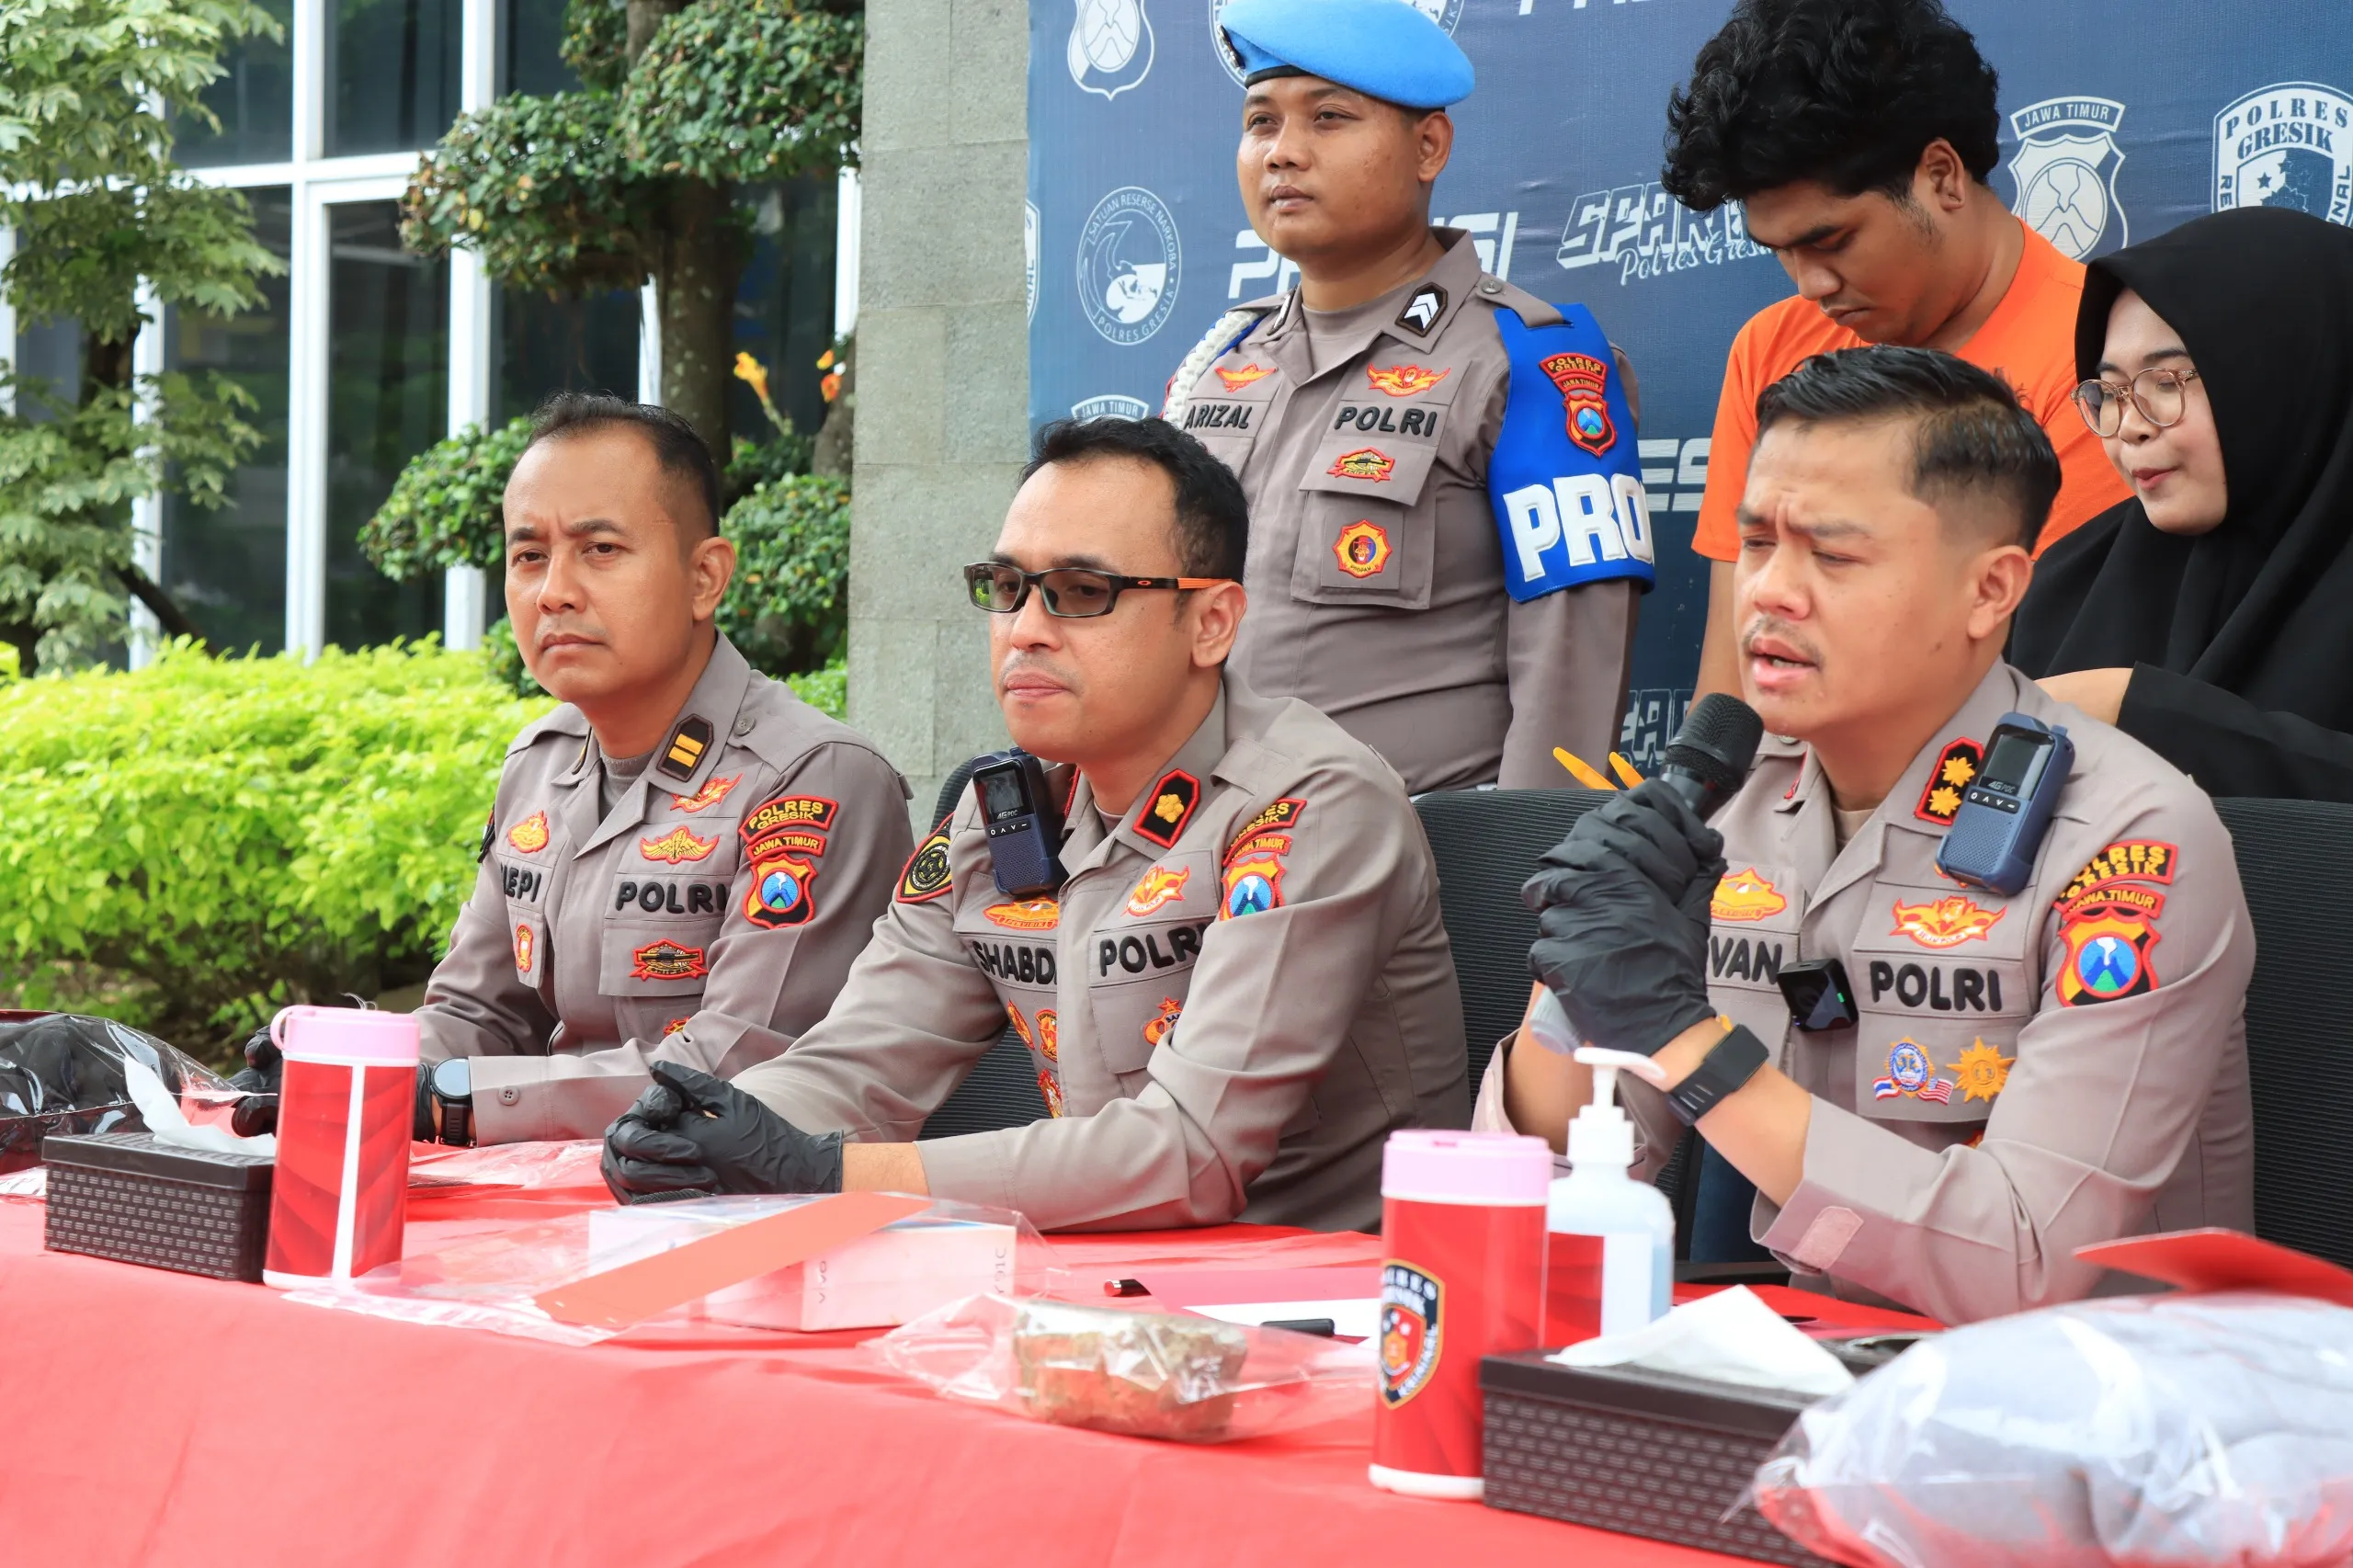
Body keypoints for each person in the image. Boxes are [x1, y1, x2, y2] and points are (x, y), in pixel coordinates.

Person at [1473, 347, 2252, 1325]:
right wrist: (1574, 982)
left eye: (1832, 555)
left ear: (1990, 590)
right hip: (1812, 1368)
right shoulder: (1723, 799)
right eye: (1756, 544)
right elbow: (1532, 1195)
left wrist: (1680, 1040)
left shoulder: (2130, 838)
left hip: (2091, 1410)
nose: (1770, 592)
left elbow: (2019, 1264)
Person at [600, 416, 1469, 1232]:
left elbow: (1191, 1153)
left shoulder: (1311, 805)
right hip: (1091, 1286)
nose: (1024, 632)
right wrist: (702, 1120)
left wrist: (827, 1174)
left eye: (1082, 593)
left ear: (1211, 623)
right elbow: (861, 1061)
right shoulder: (1001, 816)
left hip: (1329, 1312)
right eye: (1009, 588)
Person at [1157, 0, 1651, 792]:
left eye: (1328, 119)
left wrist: (1515, 886)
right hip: (1195, 865)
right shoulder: (1216, 363)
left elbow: (1571, 683)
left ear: (1429, 146)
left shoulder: (1532, 362)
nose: (1284, 153)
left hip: (1411, 880)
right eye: (1260, 123)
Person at [401, 394, 912, 1145]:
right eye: (529, 556)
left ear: (706, 578)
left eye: (599, 549)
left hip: (726, 1213)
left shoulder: (811, 779)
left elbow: (731, 1069)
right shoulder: (537, 765)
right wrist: (346, 1073)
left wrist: (461, 1097)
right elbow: (478, 1012)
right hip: (540, 1194)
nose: (554, 591)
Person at [1670, 0, 2131, 705]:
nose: (1810, 284)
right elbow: (1731, 688)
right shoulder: (1769, 348)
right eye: (1781, 252)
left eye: (1831, 241)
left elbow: (2067, 701)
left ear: (1942, 175)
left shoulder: (2104, 366)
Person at [2012, 208, 2353, 801]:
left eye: (2166, 384)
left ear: (2291, 372)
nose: (2128, 429)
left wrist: (2138, 710)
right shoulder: (2064, 586)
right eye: (2110, 393)